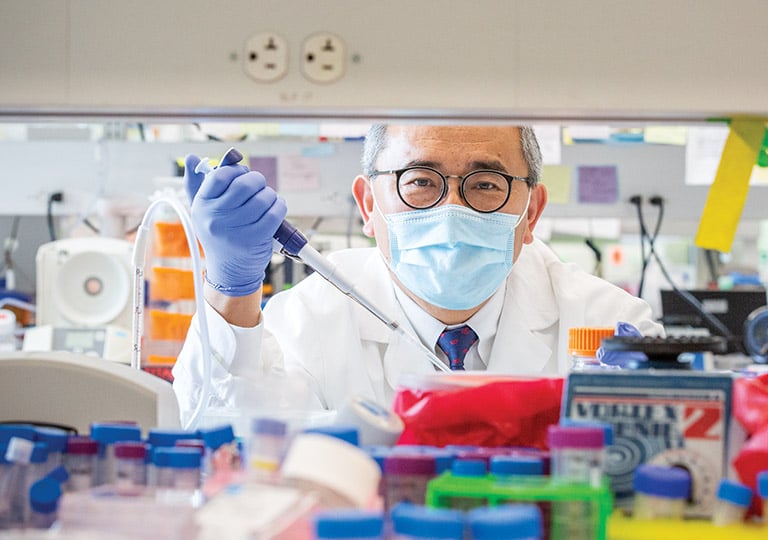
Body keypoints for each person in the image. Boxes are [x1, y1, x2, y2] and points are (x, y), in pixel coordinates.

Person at [172, 125, 662, 425]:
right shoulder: (308, 319)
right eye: (421, 181)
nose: (451, 209)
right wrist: (230, 288)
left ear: (531, 212)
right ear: (368, 205)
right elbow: (219, 435)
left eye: (486, 184)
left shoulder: (611, 324)